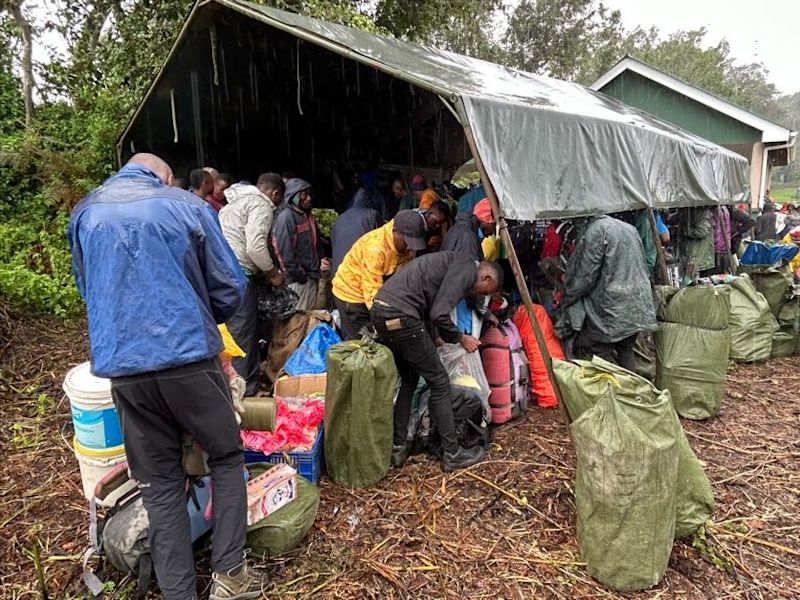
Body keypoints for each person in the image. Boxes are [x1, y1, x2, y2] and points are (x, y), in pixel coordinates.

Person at [68, 154, 263, 599]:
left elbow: (88, 290)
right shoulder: (186, 206)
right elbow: (229, 286)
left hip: (125, 372)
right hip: (188, 361)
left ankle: (179, 594)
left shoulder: (86, 213)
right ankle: (230, 576)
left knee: (159, 483)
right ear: (167, 177)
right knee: (227, 458)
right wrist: (197, 317)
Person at [371, 253, 503, 471]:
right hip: (401, 314)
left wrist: (435, 338)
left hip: (383, 311)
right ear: (486, 277)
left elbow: (428, 304)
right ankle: (452, 453)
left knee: (409, 378)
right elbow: (439, 312)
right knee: (440, 381)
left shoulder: (451, 263)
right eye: (485, 292)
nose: (479, 295)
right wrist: (461, 337)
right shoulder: (466, 269)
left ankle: (398, 447)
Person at [561, 215, 657, 372]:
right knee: (626, 350)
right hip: (636, 306)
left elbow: (585, 276)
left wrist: (568, 296)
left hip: (611, 309)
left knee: (601, 355)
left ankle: (611, 393)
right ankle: (631, 392)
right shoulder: (629, 228)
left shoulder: (595, 232)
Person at [220, 173, 286, 395]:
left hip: (224, 273)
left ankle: (234, 383)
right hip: (239, 275)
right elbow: (255, 247)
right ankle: (245, 391)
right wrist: (272, 272)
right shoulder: (261, 205)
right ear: (275, 194)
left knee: (234, 332)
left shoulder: (234, 203)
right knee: (243, 333)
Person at [332, 210, 427, 340]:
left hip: (377, 288)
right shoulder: (375, 249)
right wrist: (386, 318)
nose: (411, 249)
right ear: (395, 231)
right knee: (359, 342)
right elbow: (372, 293)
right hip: (351, 294)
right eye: (407, 243)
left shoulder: (406, 247)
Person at [271, 178, 327, 310]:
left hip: (310, 276)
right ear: (294, 197)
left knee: (308, 317)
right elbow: (284, 252)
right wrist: (299, 275)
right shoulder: (286, 217)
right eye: (304, 195)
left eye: (309, 194)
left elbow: (313, 243)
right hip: (297, 280)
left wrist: (319, 261)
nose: (308, 198)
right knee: (298, 319)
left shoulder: (307, 216)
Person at [330, 187, 382, 277]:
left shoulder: (339, 219)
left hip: (337, 274)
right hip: (358, 274)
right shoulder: (372, 215)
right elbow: (381, 243)